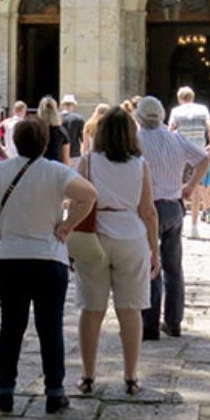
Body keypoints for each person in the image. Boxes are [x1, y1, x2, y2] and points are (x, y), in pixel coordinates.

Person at [0, 118, 97, 415]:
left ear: (15, 142)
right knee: (50, 328)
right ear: (45, 143)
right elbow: (89, 195)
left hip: (10, 258)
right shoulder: (57, 172)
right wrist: (67, 225)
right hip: (49, 258)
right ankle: (54, 392)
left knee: (11, 326)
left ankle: (5, 390)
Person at [73, 107, 160, 396]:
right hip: (131, 234)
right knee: (130, 310)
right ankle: (131, 376)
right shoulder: (140, 165)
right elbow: (148, 211)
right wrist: (154, 250)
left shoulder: (87, 163)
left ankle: (87, 376)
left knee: (92, 310)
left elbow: (75, 204)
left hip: (95, 236)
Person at [134, 97, 209, 341]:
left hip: (149, 208)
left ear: (139, 117)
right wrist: (190, 185)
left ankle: (150, 323)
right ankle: (174, 321)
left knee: (151, 264)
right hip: (174, 205)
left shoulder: (136, 140)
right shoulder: (176, 138)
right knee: (174, 267)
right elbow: (204, 159)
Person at [167, 86, 210, 237]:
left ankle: (180, 223)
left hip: (180, 152)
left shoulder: (176, 111)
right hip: (198, 153)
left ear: (179, 98)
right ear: (192, 98)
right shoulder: (202, 109)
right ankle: (194, 226)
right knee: (195, 188)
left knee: (178, 188)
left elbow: (170, 129)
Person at [38, 96, 70, 165]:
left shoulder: (35, 131)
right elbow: (66, 159)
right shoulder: (61, 131)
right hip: (57, 169)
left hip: (39, 168)